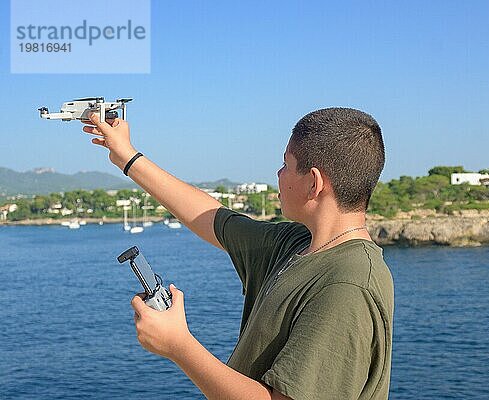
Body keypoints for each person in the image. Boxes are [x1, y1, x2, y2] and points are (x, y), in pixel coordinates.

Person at [84, 107, 394, 400]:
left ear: (313, 183)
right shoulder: (295, 244)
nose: (279, 173)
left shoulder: (349, 286)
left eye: (286, 164)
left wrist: (179, 345)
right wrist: (126, 155)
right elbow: (212, 218)